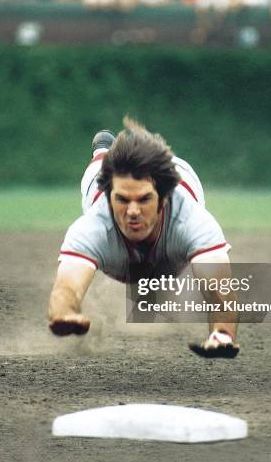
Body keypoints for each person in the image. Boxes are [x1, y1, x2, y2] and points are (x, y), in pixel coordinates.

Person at [48, 117, 240, 358]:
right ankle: (103, 150)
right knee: (96, 169)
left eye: (144, 199)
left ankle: (142, 153)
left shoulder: (194, 221)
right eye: (122, 200)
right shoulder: (92, 226)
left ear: (163, 199)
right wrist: (65, 311)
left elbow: (219, 293)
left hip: (180, 175)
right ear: (109, 196)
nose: (133, 212)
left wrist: (222, 334)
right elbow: (67, 287)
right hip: (105, 183)